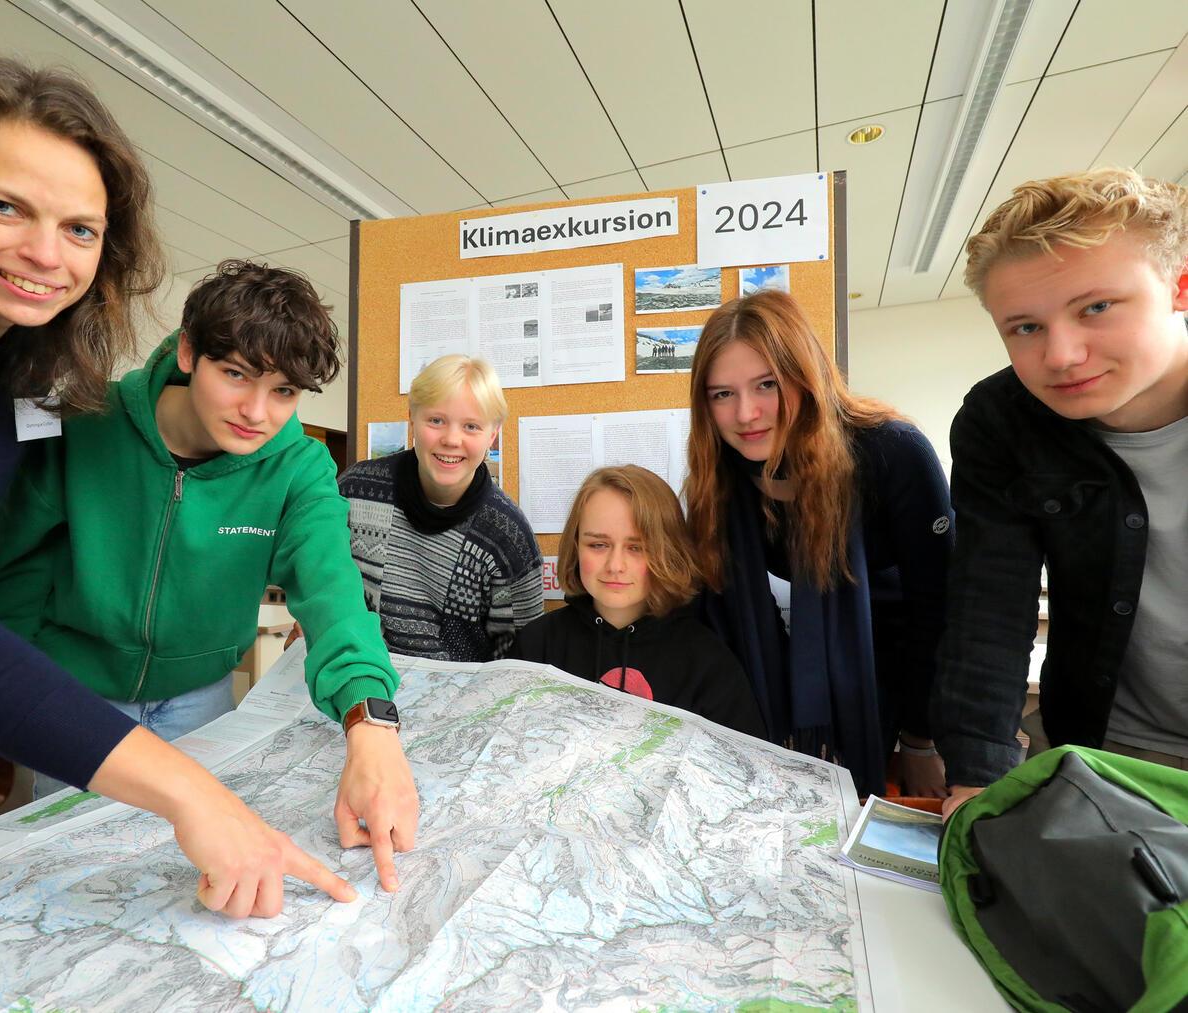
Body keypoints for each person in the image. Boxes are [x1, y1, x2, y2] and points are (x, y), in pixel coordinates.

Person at [0, 53, 362, 912]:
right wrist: (190, 791)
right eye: (3, 205)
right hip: (17, 678)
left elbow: (332, 589)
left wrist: (367, 716)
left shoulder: (21, 369)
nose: (45, 252)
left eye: (80, 228)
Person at [0, 261, 420, 870]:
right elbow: (9, 575)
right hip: (77, 696)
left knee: (180, 869)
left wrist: (370, 722)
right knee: (77, 867)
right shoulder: (82, 426)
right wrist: (5, 699)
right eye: (235, 374)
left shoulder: (300, 467)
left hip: (201, 697)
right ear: (188, 351)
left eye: (284, 391)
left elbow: (333, 591)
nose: (257, 412)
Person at [933, 168, 1188, 820]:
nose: (1063, 355)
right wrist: (974, 778)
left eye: (1096, 308)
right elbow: (990, 605)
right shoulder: (999, 422)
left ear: (1179, 287)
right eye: (1024, 328)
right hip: (1103, 749)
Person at [684, 290, 954, 798]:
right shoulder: (718, 478)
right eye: (722, 394)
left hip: (888, 707)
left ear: (805, 377)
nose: (746, 414)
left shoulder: (891, 453)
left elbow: (939, 614)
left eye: (766, 384)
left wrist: (922, 741)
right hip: (767, 721)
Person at [509, 466, 766, 735]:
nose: (615, 565)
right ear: (575, 546)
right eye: (598, 545)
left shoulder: (708, 664)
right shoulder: (537, 645)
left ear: (668, 551)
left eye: (637, 548)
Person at [338, 355, 542, 661]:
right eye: (436, 420)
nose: (451, 439)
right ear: (412, 417)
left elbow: (521, 657)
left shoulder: (508, 536)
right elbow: (319, 583)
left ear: (493, 434)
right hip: (356, 682)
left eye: (471, 426)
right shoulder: (354, 491)